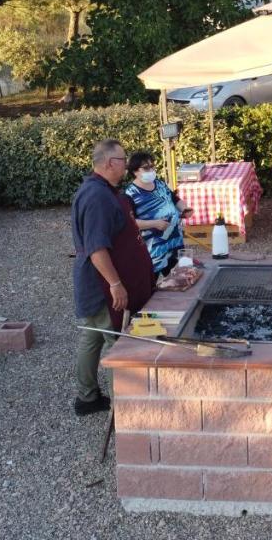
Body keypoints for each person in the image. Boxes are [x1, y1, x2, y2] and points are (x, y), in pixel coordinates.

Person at [70, 139, 154, 417]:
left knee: (92, 336)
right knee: (116, 344)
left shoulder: (105, 191)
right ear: (109, 163)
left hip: (101, 286)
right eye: (123, 159)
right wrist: (115, 284)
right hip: (102, 288)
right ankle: (123, 412)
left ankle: (87, 396)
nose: (126, 164)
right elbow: (96, 249)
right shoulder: (96, 197)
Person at [123, 151, 192, 276]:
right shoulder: (130, 194)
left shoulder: (160, 184)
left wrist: (184, 209)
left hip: (175, 241)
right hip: (154, 249)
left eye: (152, 166)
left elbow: (174, 199)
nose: (151, 170)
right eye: (146, 167)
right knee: (154, 287)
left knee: (179, 279)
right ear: (135, 171)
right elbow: (130, 223)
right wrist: (154, 223)